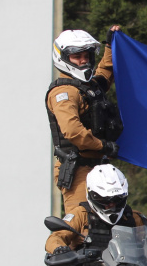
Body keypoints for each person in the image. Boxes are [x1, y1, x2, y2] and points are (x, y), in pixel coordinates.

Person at [46, 25, 124, 214]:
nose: (83, 61)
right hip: (78, 168)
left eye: (86, 56)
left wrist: (110, 46)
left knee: (110, 221)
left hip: (100, 166)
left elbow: (105, 73)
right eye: (77, 56)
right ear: (64, 58)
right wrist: (103, 145)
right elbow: (72, 131)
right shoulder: (64, 92)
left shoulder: (89, 87)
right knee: (83, 222)